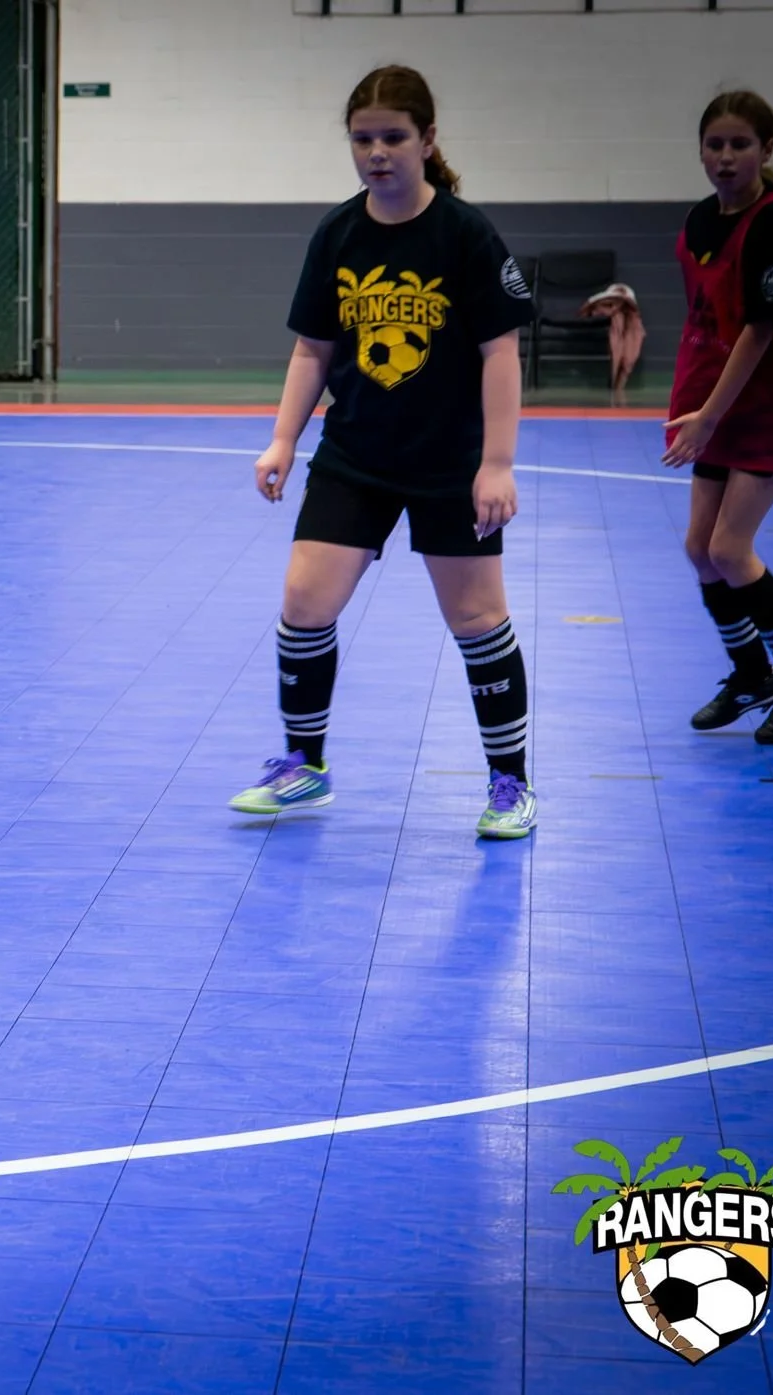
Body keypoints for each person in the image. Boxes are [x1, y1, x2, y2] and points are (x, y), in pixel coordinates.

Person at [231, 65, 539, 838]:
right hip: (356, 453)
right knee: (304, 603)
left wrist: (496, 462)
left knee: (476, 619)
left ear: (428, 140)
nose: (377, 152)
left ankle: (511, 784)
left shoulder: (465, 234)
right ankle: (305, 765)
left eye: (393, 136)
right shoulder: (338, 232)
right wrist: (281, 439)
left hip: (449, 461)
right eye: (362, 138)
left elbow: (501, 352)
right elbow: (312, 351)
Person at [663, 90, 773, 743]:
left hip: (770, 407)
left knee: (731, 548)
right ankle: (752, 673)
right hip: (716, 404)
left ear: (766, 150)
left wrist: (707, 417)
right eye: (715, 145)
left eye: (740, 145)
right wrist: (697, 408)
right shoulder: (701, 222)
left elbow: (759, 334)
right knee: (700, 550)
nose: (726, 157)